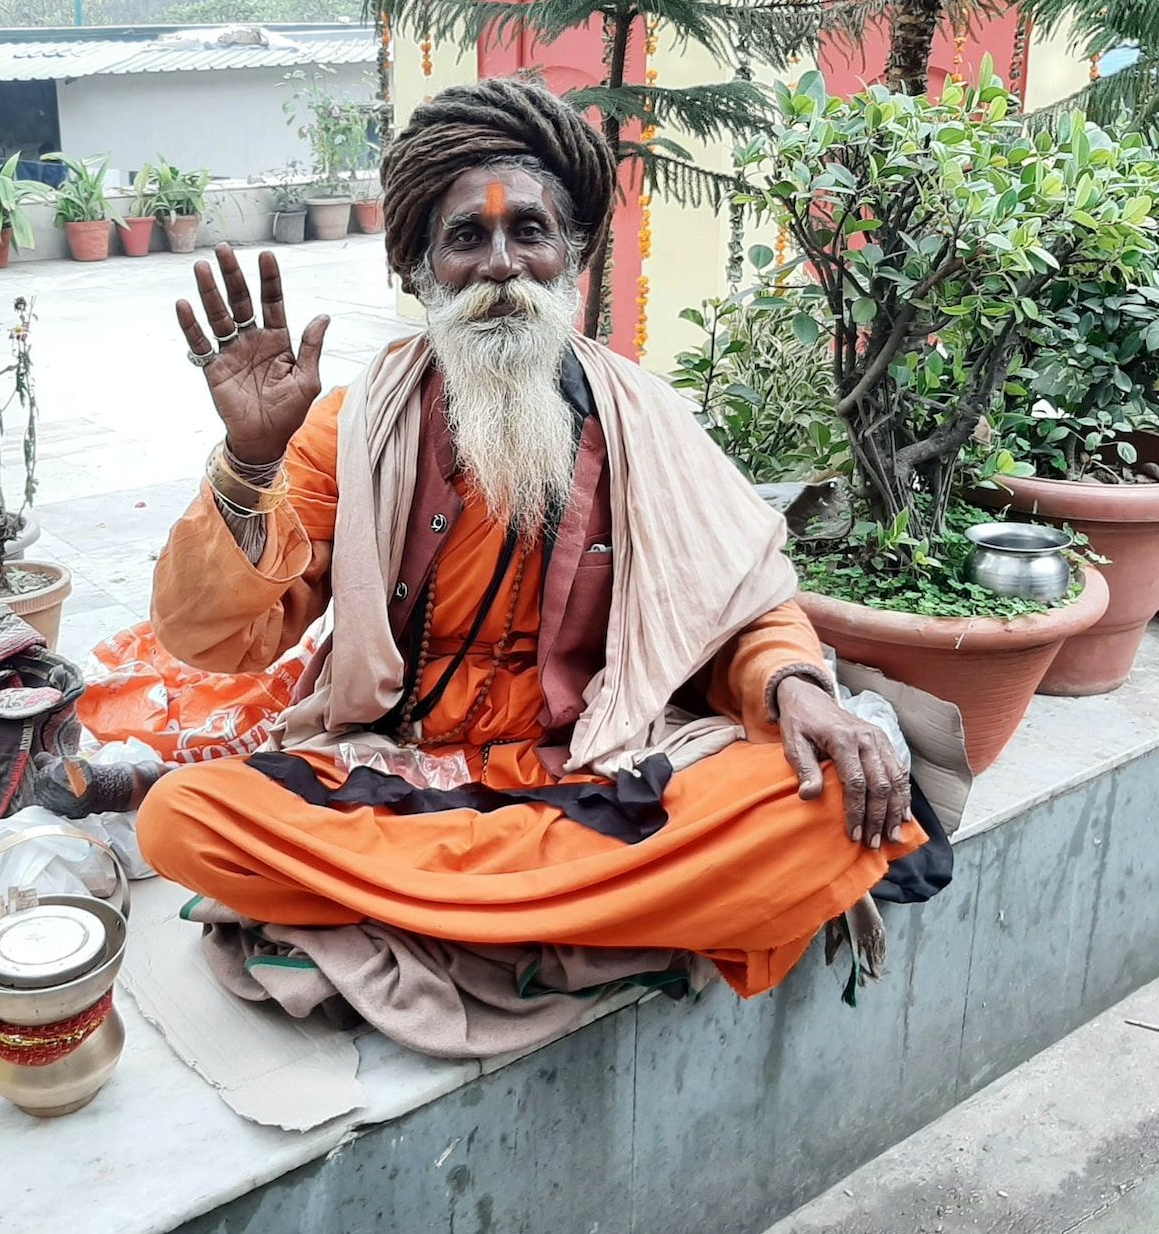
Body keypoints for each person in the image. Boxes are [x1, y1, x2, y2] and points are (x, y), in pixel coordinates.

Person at [135, 78, 927, 999]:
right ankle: (574, 916)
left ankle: (435, 911)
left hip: (594, 769)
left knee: (819, 802)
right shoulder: (350, 427)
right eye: (466, 237)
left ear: (573, 258)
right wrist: (248, 462)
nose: (502, 264)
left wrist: (795, 687)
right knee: (183, 819)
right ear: (419, 272)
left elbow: (745, 604)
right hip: (398, 775)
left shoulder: (647, 422)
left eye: (529, 234)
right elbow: (211, 638)